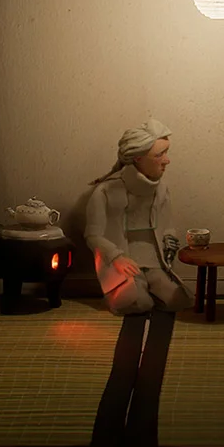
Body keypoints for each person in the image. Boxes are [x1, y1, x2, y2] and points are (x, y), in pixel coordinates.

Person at [85, 118, 193, 315]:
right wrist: (116, 257)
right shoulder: (105, 191)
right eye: (159, 155)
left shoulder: (161, 190)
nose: (167, 160)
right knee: (137, 303)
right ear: (138, 158)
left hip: (155, 262)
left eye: (166, 152)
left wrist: (169, 240)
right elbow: (93, 235)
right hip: (124, 262)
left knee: (179, 300)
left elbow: (167, 224)